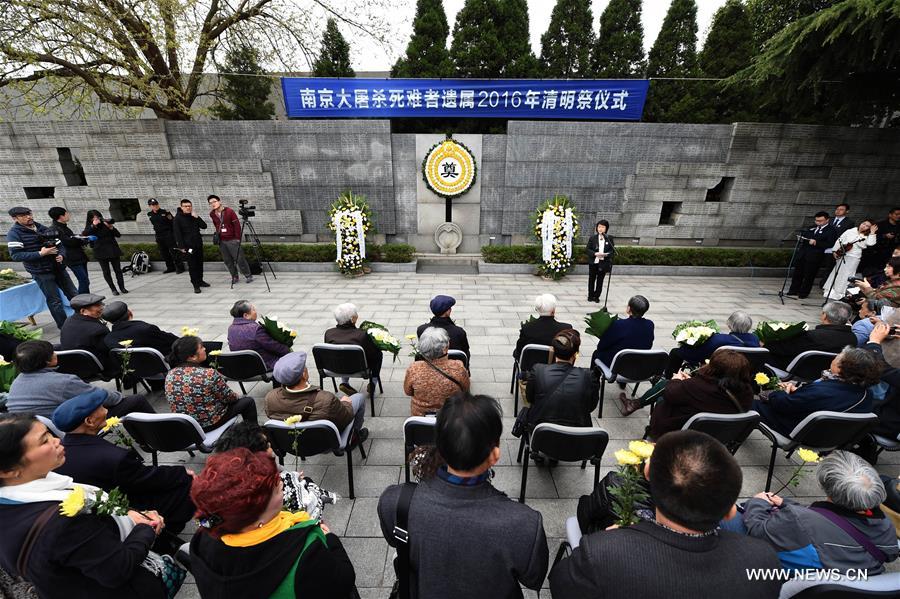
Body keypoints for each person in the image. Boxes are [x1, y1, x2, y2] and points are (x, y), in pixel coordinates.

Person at [549, 430, 783, 599]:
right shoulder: (763, 559)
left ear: (647, 472)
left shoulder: (601, 555)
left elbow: (560, 584)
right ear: (731, 511)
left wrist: (616, 541)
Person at [378, 392, 549, 599]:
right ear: (494, 455)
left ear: (439, 445)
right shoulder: (526, 524)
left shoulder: (396, 502)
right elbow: (533, 578)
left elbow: (395, 540)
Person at [0, 413, 177, 599]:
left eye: (50, 433)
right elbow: (117, 569)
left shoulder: (14, 501)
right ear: (8, 470)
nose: (57, 441)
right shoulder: (63, 521)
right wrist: (144, 529)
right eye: (44, 441)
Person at [189, 447, 356, 599]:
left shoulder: (203, 538)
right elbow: (344, 581)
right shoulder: (307, 553)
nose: (282, 483)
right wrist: (331, 539)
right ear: (256, 517)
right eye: (276, 487)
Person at [51, 389, 195, 534]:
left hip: (91, 508)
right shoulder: (113, 457)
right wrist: (181, 472)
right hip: (122, 510)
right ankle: (167, 534)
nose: (106, 410)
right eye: (101, 408)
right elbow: (148, 478)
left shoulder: (57, 454)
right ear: (89, 421)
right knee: (188, 482)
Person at [742, 451, 899, 573]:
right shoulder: (885, 524)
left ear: (827, 487)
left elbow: (758, 530)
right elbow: (890, 554)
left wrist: (758, 502)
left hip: (799, 577)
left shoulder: (799, 519)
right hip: (860, 579)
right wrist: (786, 504)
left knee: (735, 520)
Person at [6, 340, 154, 418]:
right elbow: (105, 398)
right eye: (53, 352)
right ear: (48, 361)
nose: (56, 353)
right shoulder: (63, 382)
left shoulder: (17, 382)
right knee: (136, 401)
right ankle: (161, 436)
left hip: (30, 428)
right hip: (63, 427)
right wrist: (118, 396)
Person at [753, 346, 879, 437]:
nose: (835, 357)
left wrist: (780, 391)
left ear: (841, 367)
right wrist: (800, 392)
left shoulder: (822, 390)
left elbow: (783, 405)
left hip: (797, 430)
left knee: (749, 403)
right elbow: (821, 401)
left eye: (838, 356)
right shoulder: (867, 394)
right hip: (831, 438)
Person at [647, 350, 754, 438]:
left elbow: (669, 393)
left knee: (662, 398)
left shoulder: (697, 386)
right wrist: (689, 383)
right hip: (720, 437)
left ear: (714, 368)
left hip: (682, 434)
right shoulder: (747, 391)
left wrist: (676, 380)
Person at [265, 351, 368, 441]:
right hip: (327, 443)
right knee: (359, 397)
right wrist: (345, 403)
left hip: (295, 443)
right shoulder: (326, 399)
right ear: (304, 375)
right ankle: (353, 437)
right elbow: (346, 418)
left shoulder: (270, 398)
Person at [6, 206, 78, 329]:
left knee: (74, 294)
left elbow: (59, 244)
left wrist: (61, 255)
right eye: (23, 216)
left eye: (29, 214)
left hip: (58, 268)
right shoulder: (14, 234)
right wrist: (41, 253)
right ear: (15, 218)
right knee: (55, 301)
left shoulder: (41, 228)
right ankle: (65, 327)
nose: (28, 217)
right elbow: (16, 255)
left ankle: (85, 320)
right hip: (41, 272)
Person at [164, 336, 257, 431]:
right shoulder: (209, 374)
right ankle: (254, 435)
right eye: (201, 347)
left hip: (187, 425)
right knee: (248, 402)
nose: (205, 349)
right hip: (209, 424)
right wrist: (236, 396)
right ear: (192, 357)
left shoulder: (170, 374)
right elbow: (230, 398)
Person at [525, 329, 598, 432]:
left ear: (553, 351)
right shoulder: (589, 376)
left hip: (542, 434)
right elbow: (591, 406)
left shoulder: (538, 370)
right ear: (575, 354)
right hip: (577, 436)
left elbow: (530, 398)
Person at [664, 310, 760, 378]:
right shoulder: (755, 339)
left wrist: (686, 345)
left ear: (729, 324)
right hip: (743, 373)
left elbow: (698, 354)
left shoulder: (719, 339)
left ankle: (669, 379)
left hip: (719, 371)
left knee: (676, 352)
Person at [764, 301, 856, 370]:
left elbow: (785, 349)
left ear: (824, 316)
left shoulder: (813, 336)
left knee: (762, 354)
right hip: (829, 369)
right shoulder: (853, 338)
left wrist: (765, 344)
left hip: (803, 370)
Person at [404, 327, 470, 416]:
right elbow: (465, 389)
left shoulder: (414, 369)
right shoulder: (458, 368)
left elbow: (408, 392)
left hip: (421, 417)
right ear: (446, 348)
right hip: (451, 416)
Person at [591, 295, 654, 381]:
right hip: (638, 366)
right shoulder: (650, 325)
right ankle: (622, 383)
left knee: (596, 353)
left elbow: (601, 346)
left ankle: (593, 383)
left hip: (618, 367)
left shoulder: (619, 325)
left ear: (629, 308)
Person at [324, 303, 382, 395]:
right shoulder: (362, 335)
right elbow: (372, 355)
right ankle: (373, 383)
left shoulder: (329, 333)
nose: (357, 316)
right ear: (352, 319)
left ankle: (345, 382)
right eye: (356, 315)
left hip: (335, 369)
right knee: (378, 354)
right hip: (359, 370)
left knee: (341, 355)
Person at [59, 293, 116, 373]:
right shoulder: (97, 329)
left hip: (72, 363)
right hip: (91, 365)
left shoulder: (68, 320)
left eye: (101, 304)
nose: (102, 307)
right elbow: (108, 349)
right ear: (83, 311)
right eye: (97, 306)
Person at [227, 300, 290, 371]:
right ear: (246, 315)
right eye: (253, 309)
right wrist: (288, 350)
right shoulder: (255, 329)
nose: (255, 312)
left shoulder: (231, 328)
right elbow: (272, 345)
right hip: (261, 366)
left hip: (242, 367)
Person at [786, 211, 837, 299]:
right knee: (798, 273)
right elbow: (806, 236)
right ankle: (793, 290)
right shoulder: (811, 228)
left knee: (809, 275)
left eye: (820, 221)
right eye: (816, 220)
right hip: (803, 253)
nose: (818, 222)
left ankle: (803, 293)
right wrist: (802, 238)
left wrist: (817, 242)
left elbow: (830, 243)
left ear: (827, 220)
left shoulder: (831, 230)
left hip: (815, 256)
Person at [823, 219, 877, 300]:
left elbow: (870, 243)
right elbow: (840, 240)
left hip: (854, 257)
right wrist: (834, 251)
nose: (864, 226)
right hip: (843, 254)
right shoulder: (851, 231)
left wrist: (872, 233)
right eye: (863, 223)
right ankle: (831, 291)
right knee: (837, 272)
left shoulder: (867, 236)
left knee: (847, 274)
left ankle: (840, 293)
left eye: (867, 226)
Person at [103, 301, 179, 357]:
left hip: (136, 372)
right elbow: (172, 340)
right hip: (161, 367)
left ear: (110, 321)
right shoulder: (145, 329)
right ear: (130, 313)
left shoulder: (108, 339)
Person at [208, 194, 253, 285]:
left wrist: (237, 238)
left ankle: (248, 275)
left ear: (219, 201)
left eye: (214, 201)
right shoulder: (212, 214)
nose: (213, 204)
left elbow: (237, 226)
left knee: (240, 259)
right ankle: (234, 276)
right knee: (227, 260)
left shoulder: (229, 211)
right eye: (210, 203)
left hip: (232, 239)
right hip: (222, 241)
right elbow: (216, 225)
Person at [513, 293, 572, 360]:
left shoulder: (527, 328)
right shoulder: (565, 329)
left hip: (532, 368)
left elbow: (519, 351)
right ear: (553, 311)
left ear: (538, 310)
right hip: (556, 368)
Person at [49, 206, 93, 294]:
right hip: (72, 259)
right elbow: (69, 242)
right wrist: (84, 240)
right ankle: (82, 302)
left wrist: (80, 238)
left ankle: (88, 300)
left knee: (85, 280)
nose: (68, 215)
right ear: (61, 216)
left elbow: (73, 239)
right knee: (84, 280)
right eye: (66, 213)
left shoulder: (63, 227)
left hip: (79, 256)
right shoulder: (56, 229)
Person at [83, 209, 128, 296]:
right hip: (100, 251)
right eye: (94, 218)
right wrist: (93, 225)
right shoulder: (90, 227)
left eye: (97, 217)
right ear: (90, 219)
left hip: (113, 250)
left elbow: (118, 235)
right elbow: (85, 234)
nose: (96, 219)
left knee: (118, 270)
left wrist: (111, 227)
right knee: (106, 271)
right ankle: (113, 289)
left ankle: (122, 287)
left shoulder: (105, 224)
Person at [416, 295, 470, 360]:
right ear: (447, 312)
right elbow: (465, 354)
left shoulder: (421, 330)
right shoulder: (459, 332)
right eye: (449, 308)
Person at [172, 198, 208, 294]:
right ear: (181, 207)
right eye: (186, 206)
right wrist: (182, 247)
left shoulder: (193, 216)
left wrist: (197, 217)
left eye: (189, 206)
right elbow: (177, 234)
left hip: (198, 244)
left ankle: (200, 281)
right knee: (192, 265)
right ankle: (195, 285)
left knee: (200, 263)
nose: (188, 208)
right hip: (188, 247)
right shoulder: (177, 219)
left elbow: (204, 226)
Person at [859, 207, 900, 277]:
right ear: (890, 215)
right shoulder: (880, 224)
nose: (899, 216)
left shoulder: (899, 226)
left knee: (881, 273)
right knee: (867, 272)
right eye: (896, 214)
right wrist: (885, 236)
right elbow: (871, 236)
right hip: (875, 253)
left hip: (889, 254)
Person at [146, 198, 183, 274]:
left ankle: (180, 267)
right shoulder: (149, 214)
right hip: (159, 236)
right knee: (164, 253)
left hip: (168, 234)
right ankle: (170, 267)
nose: (155, 206)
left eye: (156, 204)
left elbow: (173, 223)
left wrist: (174, 235)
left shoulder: (165, 213)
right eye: (153, 205)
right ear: (150, 206)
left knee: (174, 251)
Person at [586, 219, 615, 302]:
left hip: (603, 262)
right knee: (591, 279)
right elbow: (588, 249)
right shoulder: (593, 238)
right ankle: (590, 295)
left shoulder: (609, 238)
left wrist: (606, 254)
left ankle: (596, 296)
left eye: (602, 227)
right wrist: (595, 253)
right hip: (594, 262)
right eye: (599, 227)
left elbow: (612, 250)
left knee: (600, 280)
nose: (600, 229)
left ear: (606, 228)